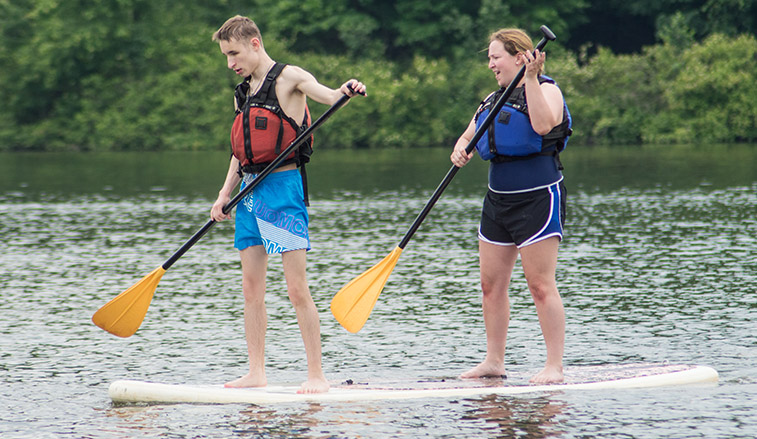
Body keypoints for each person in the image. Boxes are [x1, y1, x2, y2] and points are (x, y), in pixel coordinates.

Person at [210, 15, 366, 394]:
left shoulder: (290, 77)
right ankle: (256, 372)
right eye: (226, 56)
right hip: (248, 193)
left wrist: (345, 89)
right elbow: (240, 149)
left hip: (282, 190)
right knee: (251, 290)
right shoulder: (242, 91)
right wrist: (224, 194)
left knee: (296, 288)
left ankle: (317, 375)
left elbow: (328, 96)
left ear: (255, 44)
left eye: (234, 53)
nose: (231, 62)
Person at [450, 28, 571, 384]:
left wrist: (531, 78)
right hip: (497, 200)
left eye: (495, 57)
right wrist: (460, 149)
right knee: (490, 285)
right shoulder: (491, 99)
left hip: (538, 197)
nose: (490, 64)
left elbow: (544, 123)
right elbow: (469, 134)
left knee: (539, 284)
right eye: (489, 58)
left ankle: (554, 366)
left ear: (519, 57)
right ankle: (494, 361)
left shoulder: (547, 88)